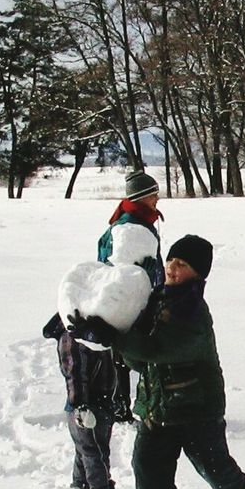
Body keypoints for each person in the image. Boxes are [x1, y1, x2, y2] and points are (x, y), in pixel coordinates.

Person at [69, 235, 245, 489]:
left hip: (196, 409)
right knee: (147, 468)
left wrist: (114, 337)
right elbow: (143, 362)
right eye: (170, 261)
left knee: (215, 469)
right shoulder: (156, 301)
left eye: (182, 265)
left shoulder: (194, 312)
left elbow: (155, 349)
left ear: (198, 273)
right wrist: (106, 334)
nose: (172, 269)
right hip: (157, 408)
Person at [41, 312, 130, 489]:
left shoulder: (93, 332)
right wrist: (80, 405)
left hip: (100, 401)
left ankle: (80, 487)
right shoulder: (73, 336)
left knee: (85, 449)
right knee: (94, 450)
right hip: (88, 404)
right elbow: (74, 374)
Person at [98, 169, 165, 422]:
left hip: (133, 301)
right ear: (141, 198)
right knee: (127, 356)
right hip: (130, 304)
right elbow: (126, 274)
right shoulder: (131, 229)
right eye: (153, 195)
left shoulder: (135, 221)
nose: (157, 199)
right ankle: (122, 407)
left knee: (128, 356)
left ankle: (124, 404)